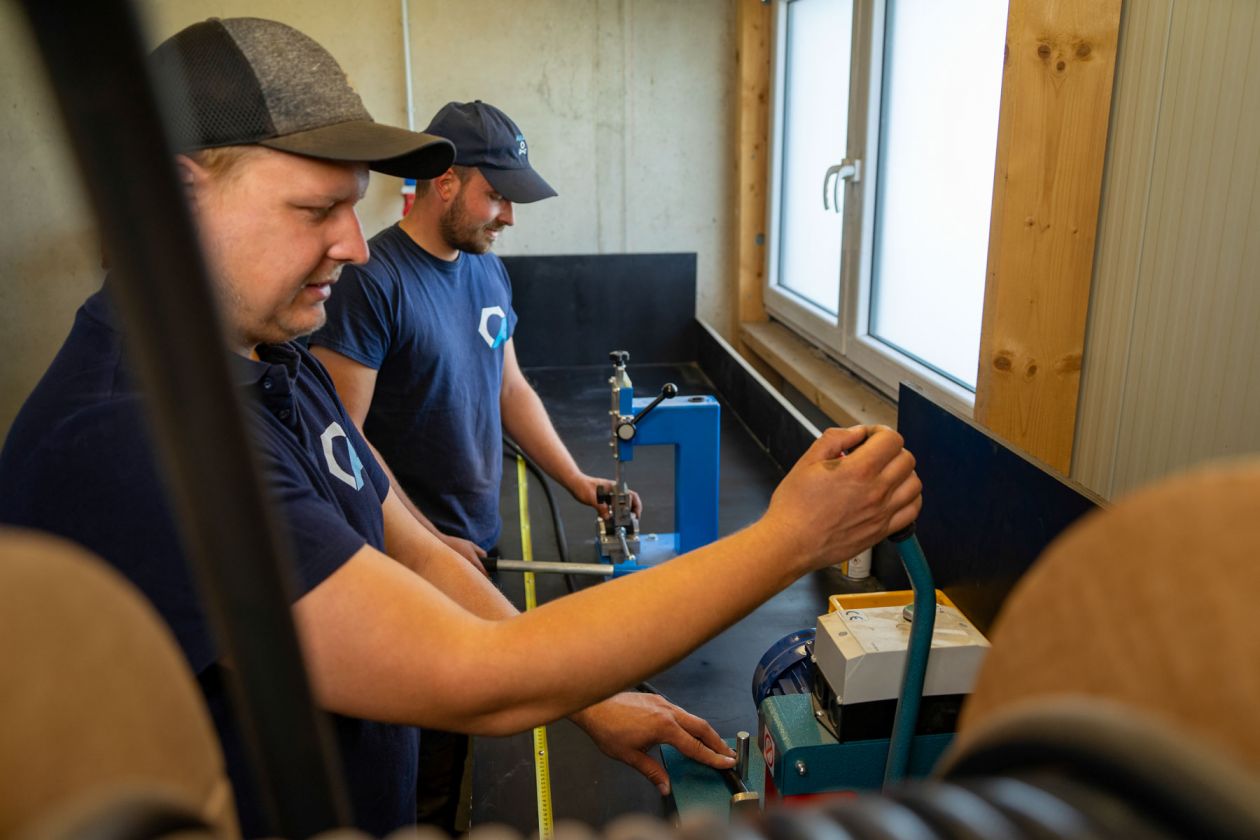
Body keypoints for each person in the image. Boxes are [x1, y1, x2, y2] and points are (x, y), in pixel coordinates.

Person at [0, 16, 923, 840]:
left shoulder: (263, 360)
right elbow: (472, 672)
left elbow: (412, 541)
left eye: (355, 207)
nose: (355, 246)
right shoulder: (130, 441)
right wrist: (796, 537)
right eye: (316, 210)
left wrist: (593, 694)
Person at [309, 99, 635, 573]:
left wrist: (575, 479)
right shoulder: (373, 281)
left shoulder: (489, 271)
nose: (509, 217)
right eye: (497, 196)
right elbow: (343, 437)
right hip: (407, 551)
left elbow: (510, 388)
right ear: (445, 183)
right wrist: (425, 542)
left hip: (476, 537)